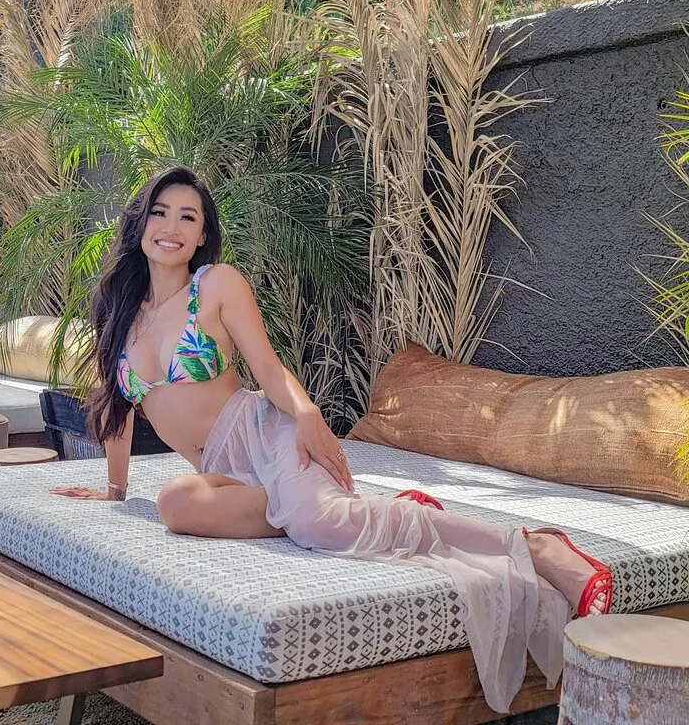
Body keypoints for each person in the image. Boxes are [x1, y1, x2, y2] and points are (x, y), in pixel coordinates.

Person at [52, 166, 612, 715]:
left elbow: (268, 368)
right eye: (160, 212)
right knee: (175, 503)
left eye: (187, 217)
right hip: (224, 472)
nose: (171, 226)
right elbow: (116, 410)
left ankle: (531, 546)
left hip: (265, 433)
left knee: (320, 525)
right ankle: (338, 507)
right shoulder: (120, 312)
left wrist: (306, 413)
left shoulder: (216, 284)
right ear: (141, 223)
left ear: (202, 235)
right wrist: (115, 489)